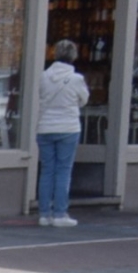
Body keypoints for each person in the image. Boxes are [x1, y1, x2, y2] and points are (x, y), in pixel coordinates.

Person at [35, 40, 90, 227]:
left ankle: (44, 214)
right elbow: (84, 100)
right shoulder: (77, 79)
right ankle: (60, 213)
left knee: (47, 170)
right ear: (73, 56)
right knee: (63, 171)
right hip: (68, 128)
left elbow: (41, 96)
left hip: (45, 127)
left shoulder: (43, 76)